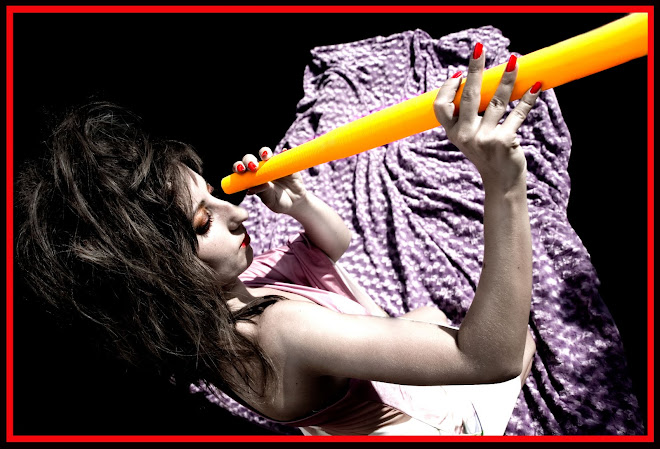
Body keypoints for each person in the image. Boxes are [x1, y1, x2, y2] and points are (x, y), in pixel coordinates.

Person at [16, 43, 539, 436]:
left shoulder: (201, 321)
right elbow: (487, 359)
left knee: (425, 316)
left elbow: (335, 247)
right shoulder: (282, 328)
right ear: (158, 273)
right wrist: (504, 184)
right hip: (416, 425)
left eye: (213, 194)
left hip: (347, 402)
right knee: (520, 342)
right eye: (203, 223)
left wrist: (299, 205)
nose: (239, 211)